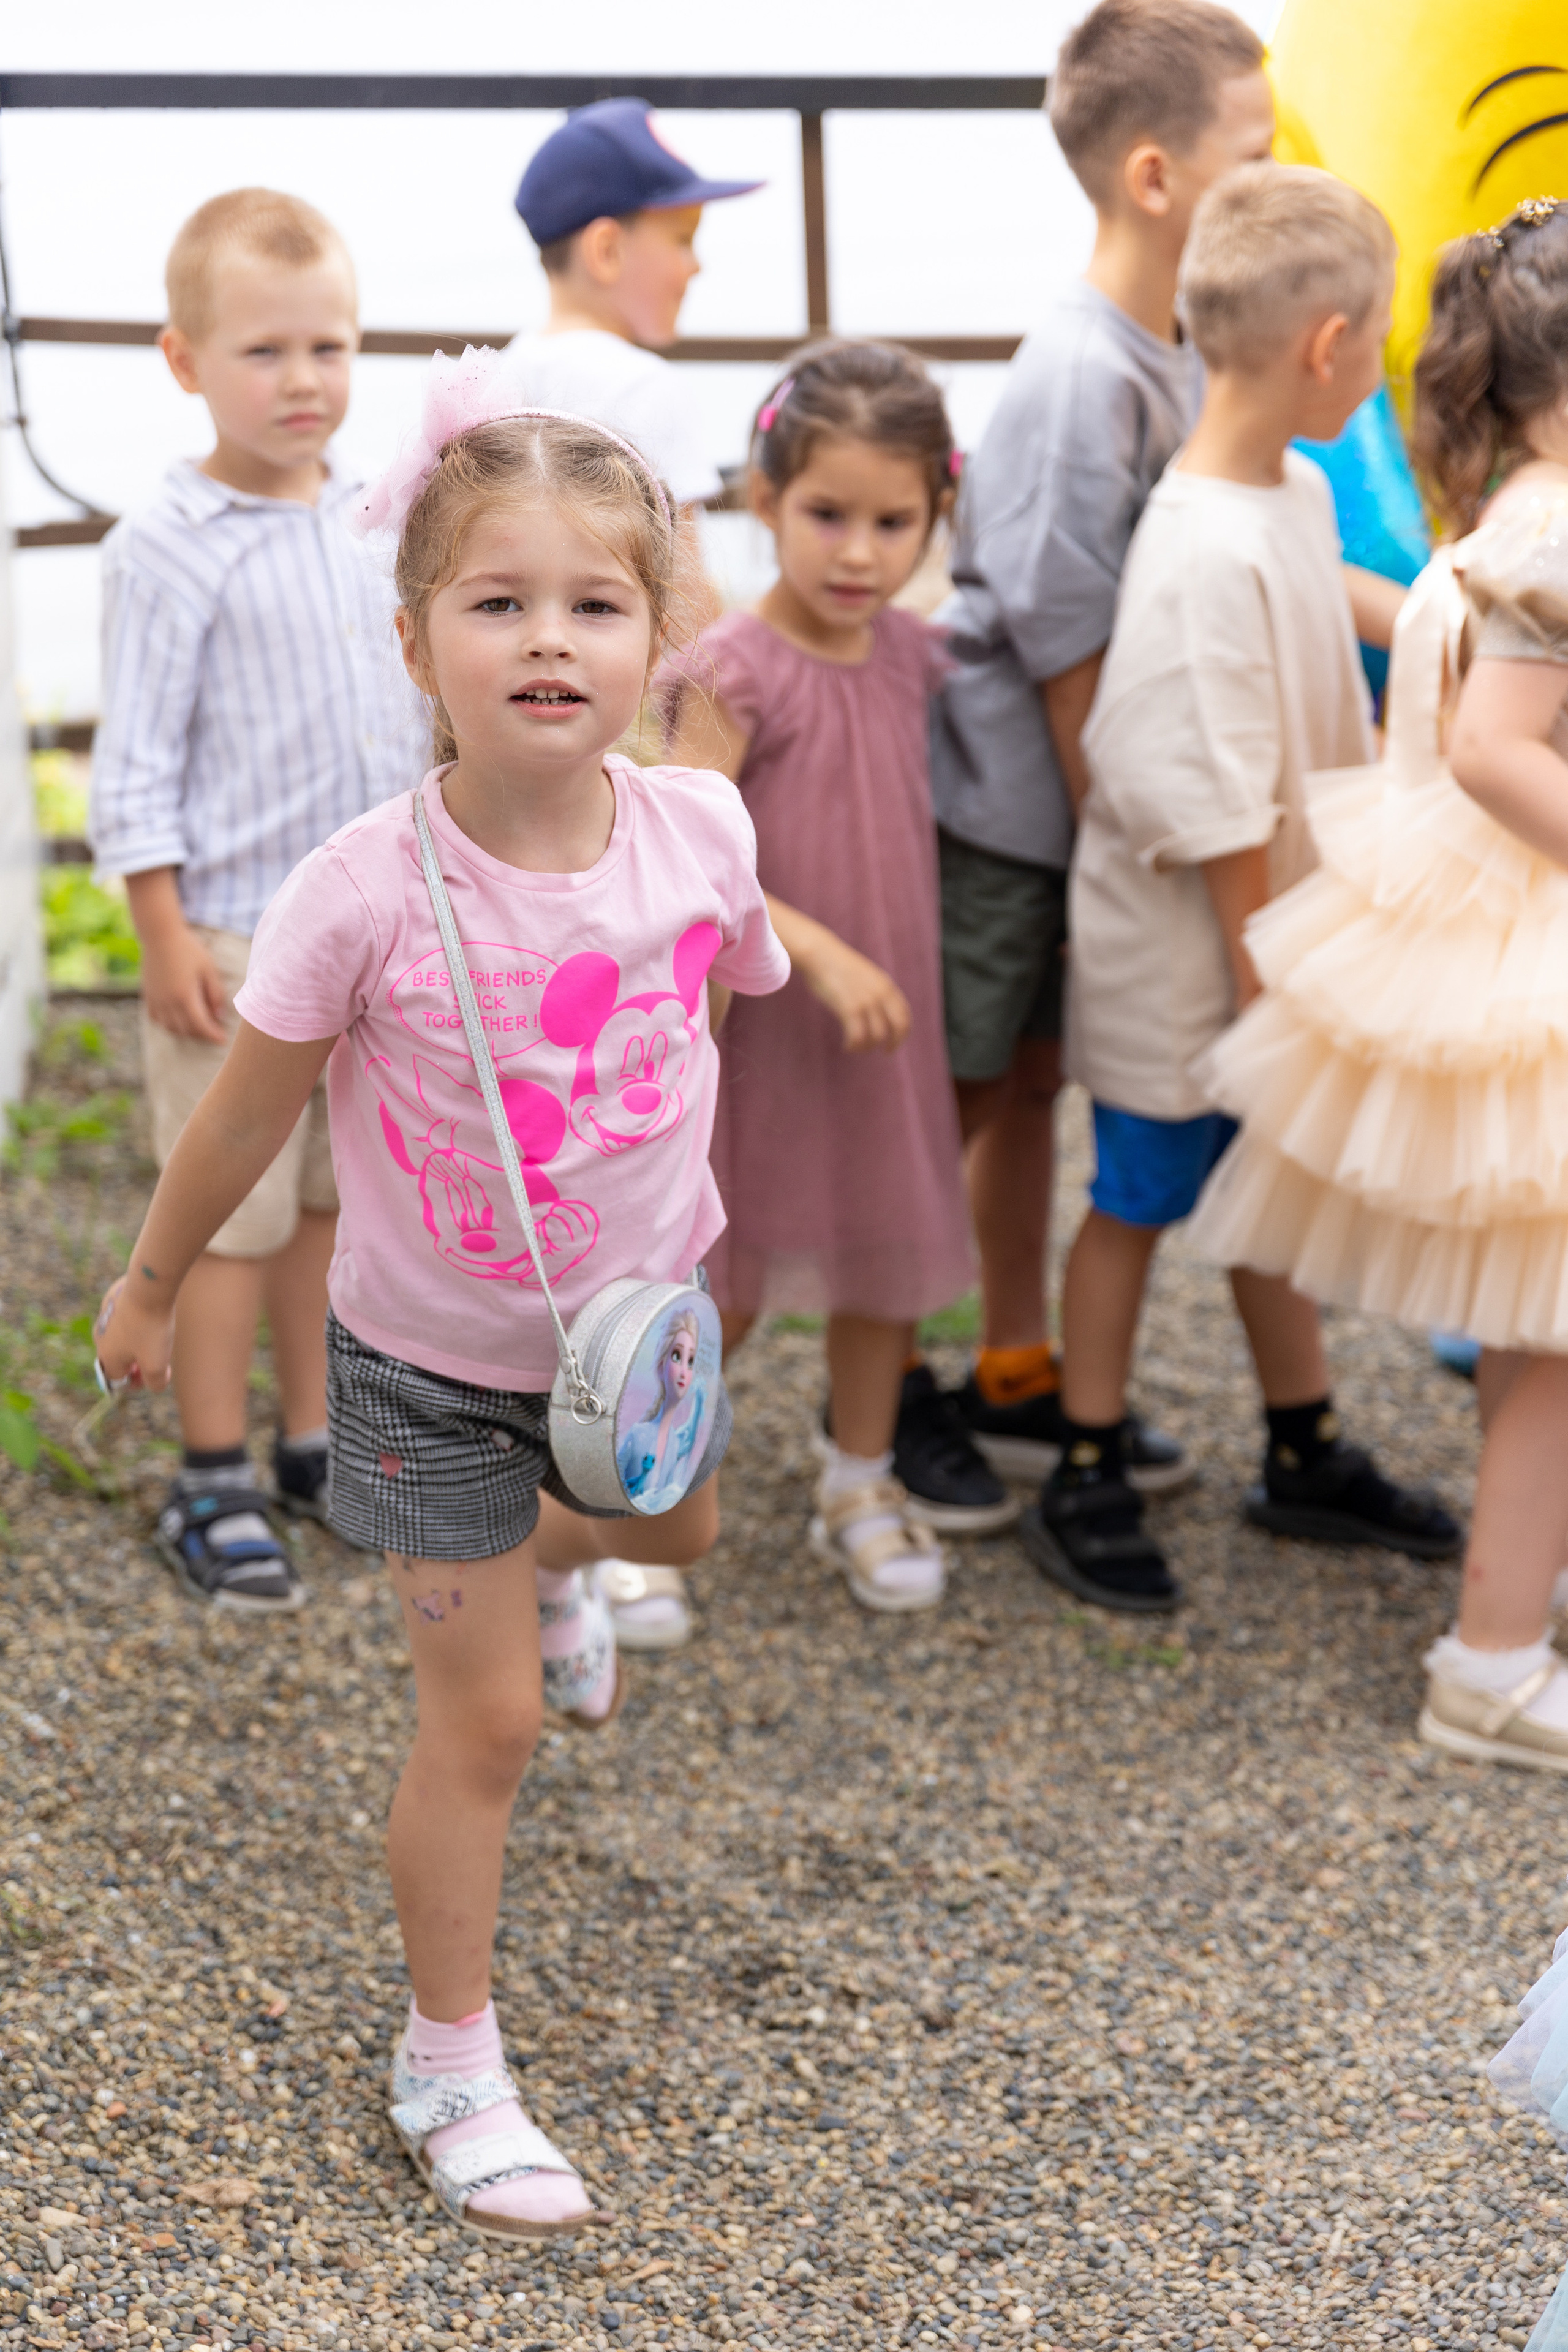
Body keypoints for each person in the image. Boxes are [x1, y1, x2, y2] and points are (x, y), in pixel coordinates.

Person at [93, 366, 789, 2234]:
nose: (547, 641)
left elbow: (708, 1021)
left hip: (638, 1345)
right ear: (416, 641)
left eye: (594, 604)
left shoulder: (703, 836)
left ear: (661, 632)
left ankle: (564, 1573)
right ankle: (450, 2060)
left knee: (686, 1535)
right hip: (418, 1374)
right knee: (483, 1731)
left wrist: (685, 1240)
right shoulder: (360, 891)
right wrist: (157, 1279)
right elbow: (247, 1114)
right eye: (499, 603)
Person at [1024, 163, 1463, 1613]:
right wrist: (1266, 983)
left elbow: (1324, 577)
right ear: (1327, 346)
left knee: (1261, 1187)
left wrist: (1456, 640)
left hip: (1262, 927)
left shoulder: (1266, 478)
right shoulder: (1197, 548)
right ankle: (1083, 1457)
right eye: (1377, 341)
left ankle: (1301, 1441)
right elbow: (1205, 796)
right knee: (1138, 1195)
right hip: (1202, 952)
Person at [1190, 195, 1568, 1764]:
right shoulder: (1549, 531)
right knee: (1549, 1343)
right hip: (1531, 949)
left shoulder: (1501, 519)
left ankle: (1510, 1594)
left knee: (1532, 1326)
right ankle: (1488, 1659)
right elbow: (1492, 756)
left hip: (1489, 946)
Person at [925, 0, 1276, 1497]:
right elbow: (1059, 639)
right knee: (975, 1092)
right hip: (1027, 810)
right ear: (1153, 178)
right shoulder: (1081, 372)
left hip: (1090, 804)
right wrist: (1118, 837)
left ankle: (1017, 1362)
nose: (1272, 176)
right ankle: (894, 1394)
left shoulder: (1187, 342)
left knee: (1044, 1078)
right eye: (1251, 155)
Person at [87, 188, 426, 1613]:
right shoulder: (164, 545)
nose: (304, 383)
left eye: (330, 349)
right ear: (185, 362)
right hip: (230, 939)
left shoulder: (377, 519)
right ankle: (211, 1467)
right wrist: (159, 931)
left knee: (334, 1212)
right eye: (266, 353)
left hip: (368, 938)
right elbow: (137, 761)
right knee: (229, 1214)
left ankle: (312, 1438)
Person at [658, 340, 1009, 1616]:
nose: (857, 551)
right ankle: (630, 1498)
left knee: (884, 1253)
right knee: (719, 1275)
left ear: (935, 517)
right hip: (760, 1027)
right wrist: (810, 947)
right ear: (765, 500)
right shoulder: (732, 671)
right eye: (825, 515)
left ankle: (856, 1475)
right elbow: (680, 851)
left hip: (880, 1028)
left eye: (891, 522)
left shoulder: (915, 657)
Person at [493, 97, 763, 1650]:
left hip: (510, 820)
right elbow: (691, 608)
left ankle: (547, 1557)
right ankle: (625, 1527)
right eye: (682, 239)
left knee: (530, 1149)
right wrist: (711, 788)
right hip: (637, 815)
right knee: (646, 1152)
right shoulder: (634, 385)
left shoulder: (492, 381)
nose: (694, 270)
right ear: (607, 244)